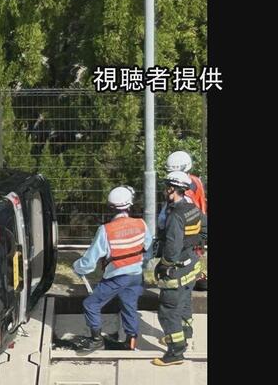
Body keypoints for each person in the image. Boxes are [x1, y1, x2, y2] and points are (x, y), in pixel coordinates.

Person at [72, 186, 152, 351]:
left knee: (91, 304)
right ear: (129, 205)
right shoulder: (141, 224)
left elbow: (89, 261)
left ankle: (96, 340)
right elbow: (148, 249)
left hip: (116, 277)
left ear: (110, 207)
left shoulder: (106, 230)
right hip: (136, 275)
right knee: (129, 306)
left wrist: (78, 267)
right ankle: (131, 341)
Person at [152, 171, 207, 366]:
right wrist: (194, 244)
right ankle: (185, 333)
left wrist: (163, 265)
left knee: (168, 310)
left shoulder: (175, 215)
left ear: (172, 189)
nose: (165, 190)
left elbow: (172, 249)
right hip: (192, 264)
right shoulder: (192, 208)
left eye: (167, 187)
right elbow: (205, 229)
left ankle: (175, 351)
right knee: (184, 303)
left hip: (177, 268)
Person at [161, 151, 208, 291]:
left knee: (183, 266)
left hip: (186, 231)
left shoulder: (183, 192)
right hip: (196, 224)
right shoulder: (195, 180)